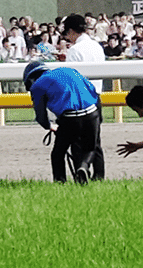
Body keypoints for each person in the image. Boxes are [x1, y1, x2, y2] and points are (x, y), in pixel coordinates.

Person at [24, 61, 101, 184]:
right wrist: (98, 118)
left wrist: (49, 126)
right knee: (90, 149)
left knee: (58, 153)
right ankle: (84, 168)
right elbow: (94, 92)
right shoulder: (69, 71)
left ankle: (60, 182)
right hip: (92, 113)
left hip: (70, 118)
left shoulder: (37, 85)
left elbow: (41, 116)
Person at [62, 13, 106, 179]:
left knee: (78, 141)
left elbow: (71, 79)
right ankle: (99, 175)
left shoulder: (74, 50)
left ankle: (81, 174)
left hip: (80, 100)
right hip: (97, 97)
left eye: (67, 34)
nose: (67, 37)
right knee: (95, 141)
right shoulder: (97, 46)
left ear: (72, 31)